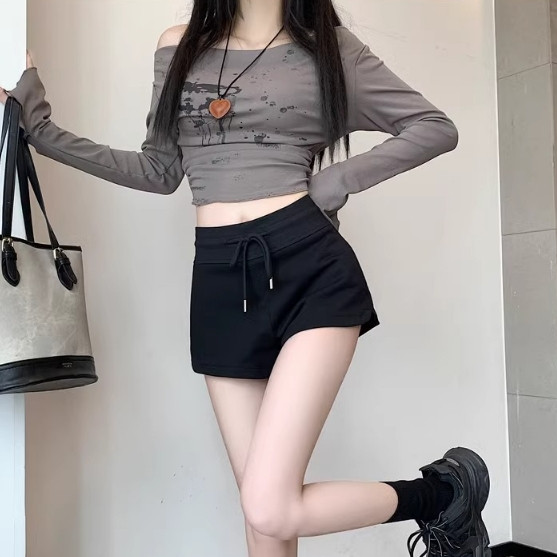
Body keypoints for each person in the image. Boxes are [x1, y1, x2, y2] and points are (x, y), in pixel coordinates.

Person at [0, 2, 490, 556]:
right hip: (218, 279)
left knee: (268, 504)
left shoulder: (330, 49)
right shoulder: (177, 45)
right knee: (264, 518)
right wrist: (41, 131)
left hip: (310, 269)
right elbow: (159, 171)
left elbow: (433, 127)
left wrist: (334, 182)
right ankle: (446, 496)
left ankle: (441, 495)